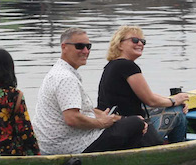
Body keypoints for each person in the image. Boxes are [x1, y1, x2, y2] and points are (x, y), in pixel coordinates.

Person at [32, 28, 162, 155]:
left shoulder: (59, 72)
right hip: (70, 145)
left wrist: (116, 119)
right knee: (137, 124)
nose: (85, 51)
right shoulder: (65, 78)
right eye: (79, 46)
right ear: (64, 47)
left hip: (52, 144)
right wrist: (102, 123)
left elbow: (84, 111)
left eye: (88, 46)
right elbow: (72, 119)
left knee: (130, 121)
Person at [98, 26, 188, 144]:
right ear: (119, 44)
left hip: (116, 127)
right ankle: (178, 149)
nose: (140, 43)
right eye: (134, 40)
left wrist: (172, 99)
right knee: (177, 111)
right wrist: (174, 101)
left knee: (170, 106)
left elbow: (144, 94)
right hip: (132, 131)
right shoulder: (128, 66)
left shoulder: (111, 65)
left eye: (143, 41)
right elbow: (150, 100)